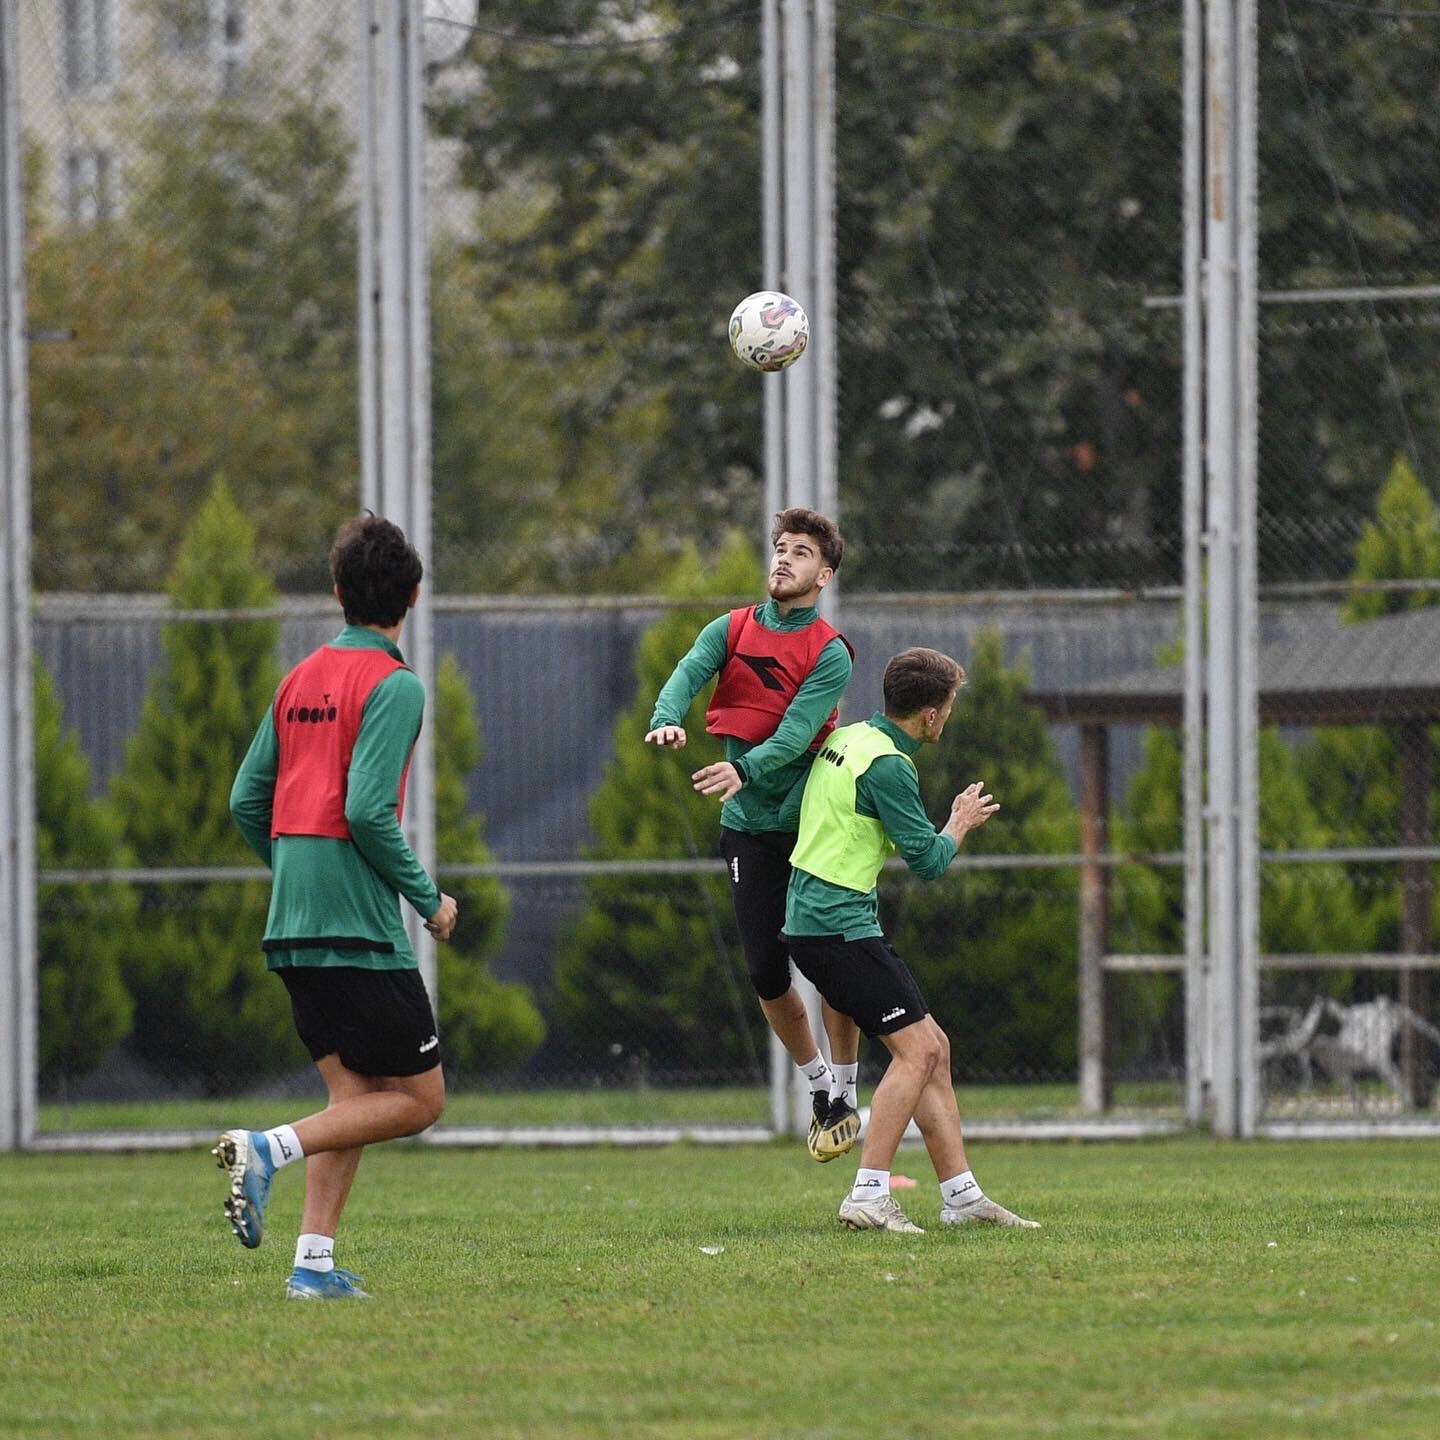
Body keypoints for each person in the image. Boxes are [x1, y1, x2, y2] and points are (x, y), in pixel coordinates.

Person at [220, 513, 459, 1300]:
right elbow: (366, 810)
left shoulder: (299, 678)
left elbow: (247, 801)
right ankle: (268, 1148)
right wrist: (428, 898)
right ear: (414, 596)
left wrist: (295, 871)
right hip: (356, 925)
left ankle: (312, 1266)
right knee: (419, 1101)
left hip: (291, 919)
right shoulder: (395, 685)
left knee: (353, 1100)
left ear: (336, 593)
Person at [783, 646, 1040, 1234]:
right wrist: (958, 824)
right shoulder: (890, 765)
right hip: (838, 926)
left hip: (814, 921)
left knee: (934, 1049)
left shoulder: (847, 740)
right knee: (918, 1052)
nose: (947, 717)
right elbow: (926, 861)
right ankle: (869, 1194)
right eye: (947, 706)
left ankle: (962, 1196)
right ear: (929, 714)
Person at [645, 508, 863, 1161]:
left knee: (835, 963)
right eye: (779, 548)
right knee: (768, 973)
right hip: (748, 827)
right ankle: (823, 1090)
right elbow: (687, 671)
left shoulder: (829, 652)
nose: (783, 560)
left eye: (800, 553)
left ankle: (849, 1092)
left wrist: (743, 767)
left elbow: (796, 735)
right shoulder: (733, 628)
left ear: (823, 575)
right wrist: (666, 716)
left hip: (814, 826)